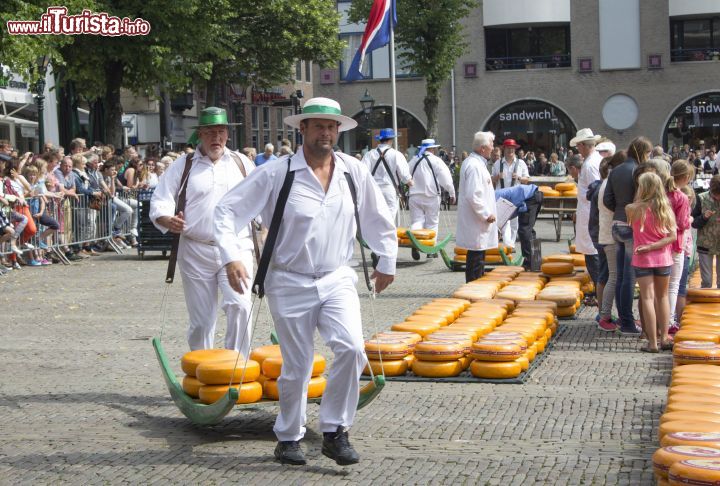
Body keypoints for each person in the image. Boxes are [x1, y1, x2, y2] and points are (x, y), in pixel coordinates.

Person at [214, 97, 397, 466]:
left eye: (332, 127)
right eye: (318, 126)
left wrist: (386, 258)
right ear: (303, 130)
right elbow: (227, 210)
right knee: (297, 364)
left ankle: (334, 430)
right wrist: (231, 257)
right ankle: (289, 436)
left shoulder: (352, 171)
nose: (326, 133)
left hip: (337, 277)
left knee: (351, 349)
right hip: (289, 280)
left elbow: (376, 215)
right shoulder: (278, 172)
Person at [150, 107, 256, 356]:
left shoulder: (242, 164)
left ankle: (236, 368)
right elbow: (161, 198)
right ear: (200, 135)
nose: (216, 138)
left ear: (228, 134)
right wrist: (167, 219)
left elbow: (262, 199)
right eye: (210, 133)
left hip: (237, 248)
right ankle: (204, 370)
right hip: (196, 249)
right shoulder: (183, 165)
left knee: (240, 306)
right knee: (202, 321)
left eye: (220, 132)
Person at [604, 136, 653, 335]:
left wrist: (619, 210)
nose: (649, 157)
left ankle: (625, 320)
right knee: (629, 278)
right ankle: (627, 322)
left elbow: (608, 199)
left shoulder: (616, 170)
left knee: (622, 276)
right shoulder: (638, 171)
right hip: (632, 224)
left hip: (617, 223)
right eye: (648, 153)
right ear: (642, 152)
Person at [626, 172, 676, 353]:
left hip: (642, 257)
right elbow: (672, 237)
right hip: (663, 257)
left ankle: (652, 341)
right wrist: (655, 245)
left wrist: (647, 247)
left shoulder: (632, 208)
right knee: (662, 297)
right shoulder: (665, 208)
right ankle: (664, 337)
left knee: (647, 297)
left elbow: (631, 223)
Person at [456, 131, 498, 282]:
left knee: (478, 258)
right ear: (483, 148)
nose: (493, 148)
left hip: (478, 222)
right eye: (491, 145)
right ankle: (473, 292)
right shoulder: (474, 166)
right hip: (477, 221)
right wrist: (486, 214)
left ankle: (475, 290)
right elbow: (473, 195)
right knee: (476, 260)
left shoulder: (477, 164)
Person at [570, 128, 602, 305]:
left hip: (591, 214)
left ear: (583, 145)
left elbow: (595, 190)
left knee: (593, 256)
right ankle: (599, 292)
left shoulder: (590, 165)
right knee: (592, 254)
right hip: (588, 212)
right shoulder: (593, 161)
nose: (577, 150)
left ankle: (599, 294)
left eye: (578, 146)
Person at [408, 138, 456, 257]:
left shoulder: (414, 160)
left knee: (417, 221)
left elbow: (405, 175)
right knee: (432, 223)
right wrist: (452, 192)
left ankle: (415, 242)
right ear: (433, 149)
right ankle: (430, 249)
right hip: (432, 196)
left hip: (414, 195)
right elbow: (446, 179)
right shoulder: (436, 161)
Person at [360, 128, 413, 222]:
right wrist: (411, 183)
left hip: (373, 189)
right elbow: (405, 175)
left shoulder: (369, 154)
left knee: (375, 217)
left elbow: (362, 174)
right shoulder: (396, 154)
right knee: (389, 218)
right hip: (389, 189)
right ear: (391, 140)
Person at [667, 160, 693, 333]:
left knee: (660, 287)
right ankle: (669, 321)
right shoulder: (681, 197)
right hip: (676, 243)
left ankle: (663, 320)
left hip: (661, 243)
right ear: (685, 177)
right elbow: (683, 223)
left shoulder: (663, 193)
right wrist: (690, 220)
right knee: (674, 286)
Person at [492, 139, 529, 248]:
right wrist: (497, 176)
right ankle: (508, 244)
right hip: (502, 196)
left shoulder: (521, 163)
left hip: (516, 196)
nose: (510, 151)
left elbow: (526, 179)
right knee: (503, 221)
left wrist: (518, 177)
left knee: (514, 222)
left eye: (512, 149)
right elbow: (491, 179)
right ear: (504, 149)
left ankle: (511, 244)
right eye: (508, 148)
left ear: (515, 150)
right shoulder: (498, 163)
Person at [692, 174, 720, 288]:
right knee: (707, 282)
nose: (718, 198)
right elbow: (693, 222)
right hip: (705, 245)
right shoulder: (701, 198)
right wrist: (704, 217)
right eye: (716, 195)